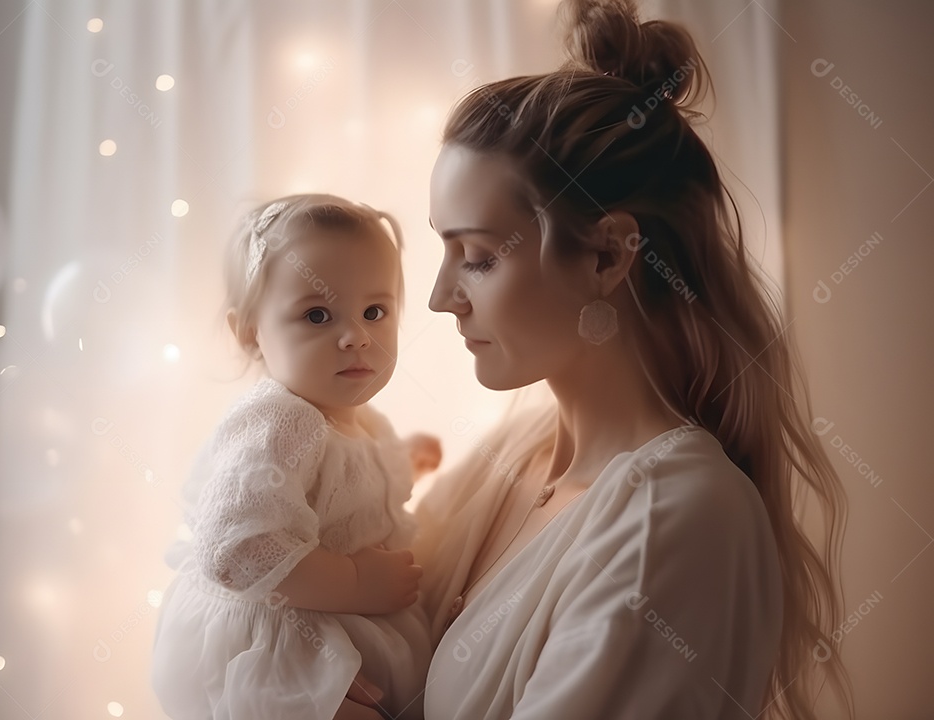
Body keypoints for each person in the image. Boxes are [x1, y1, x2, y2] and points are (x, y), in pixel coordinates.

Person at [404, 1, 855, 719]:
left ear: (609, 254)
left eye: (481, 257)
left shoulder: (675, 518)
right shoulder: (505, 460)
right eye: (444, 249)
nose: (438, 297)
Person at [150, 194, 441, 720]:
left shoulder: (358, 418)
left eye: (375, 312)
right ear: (250, 334)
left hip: (326, 620)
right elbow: (235, 548)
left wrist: (406, 465)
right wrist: (355, 582)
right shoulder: (281, 421)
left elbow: (342, 489)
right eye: (317, 314)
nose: (356, 336)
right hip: (274, 637)